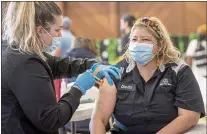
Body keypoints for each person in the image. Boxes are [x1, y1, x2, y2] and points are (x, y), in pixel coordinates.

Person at [1, 2, 120, 134]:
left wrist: (91, 65)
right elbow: (51, 119)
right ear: (40, 30)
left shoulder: (22, 51)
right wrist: (78, 89)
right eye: (57, 30)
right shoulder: (25, 63)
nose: (60, 36)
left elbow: (57, 64)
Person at [90, 17, 205, 134]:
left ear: (160, 46)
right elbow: (99, 119)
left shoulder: (179, 71)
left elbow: (189, 116)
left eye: (145, 39)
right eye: (134, 39)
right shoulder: (117, 71)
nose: (138, 44)